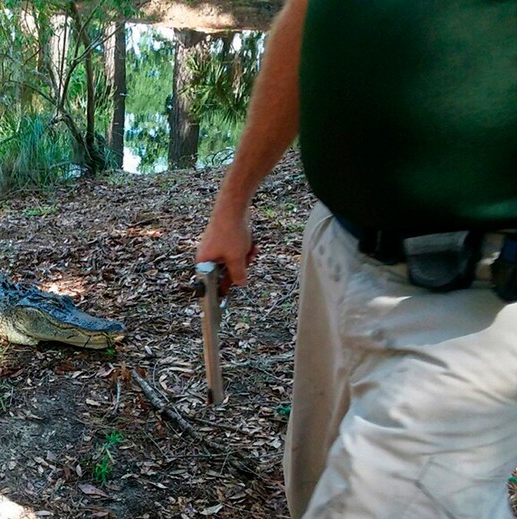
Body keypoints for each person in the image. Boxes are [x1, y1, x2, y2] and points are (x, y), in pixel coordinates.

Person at [195, 0, 517, 517]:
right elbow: (307, 15)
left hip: (474, 301)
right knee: (312, 483)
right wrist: (233, 201)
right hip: (336, 245)